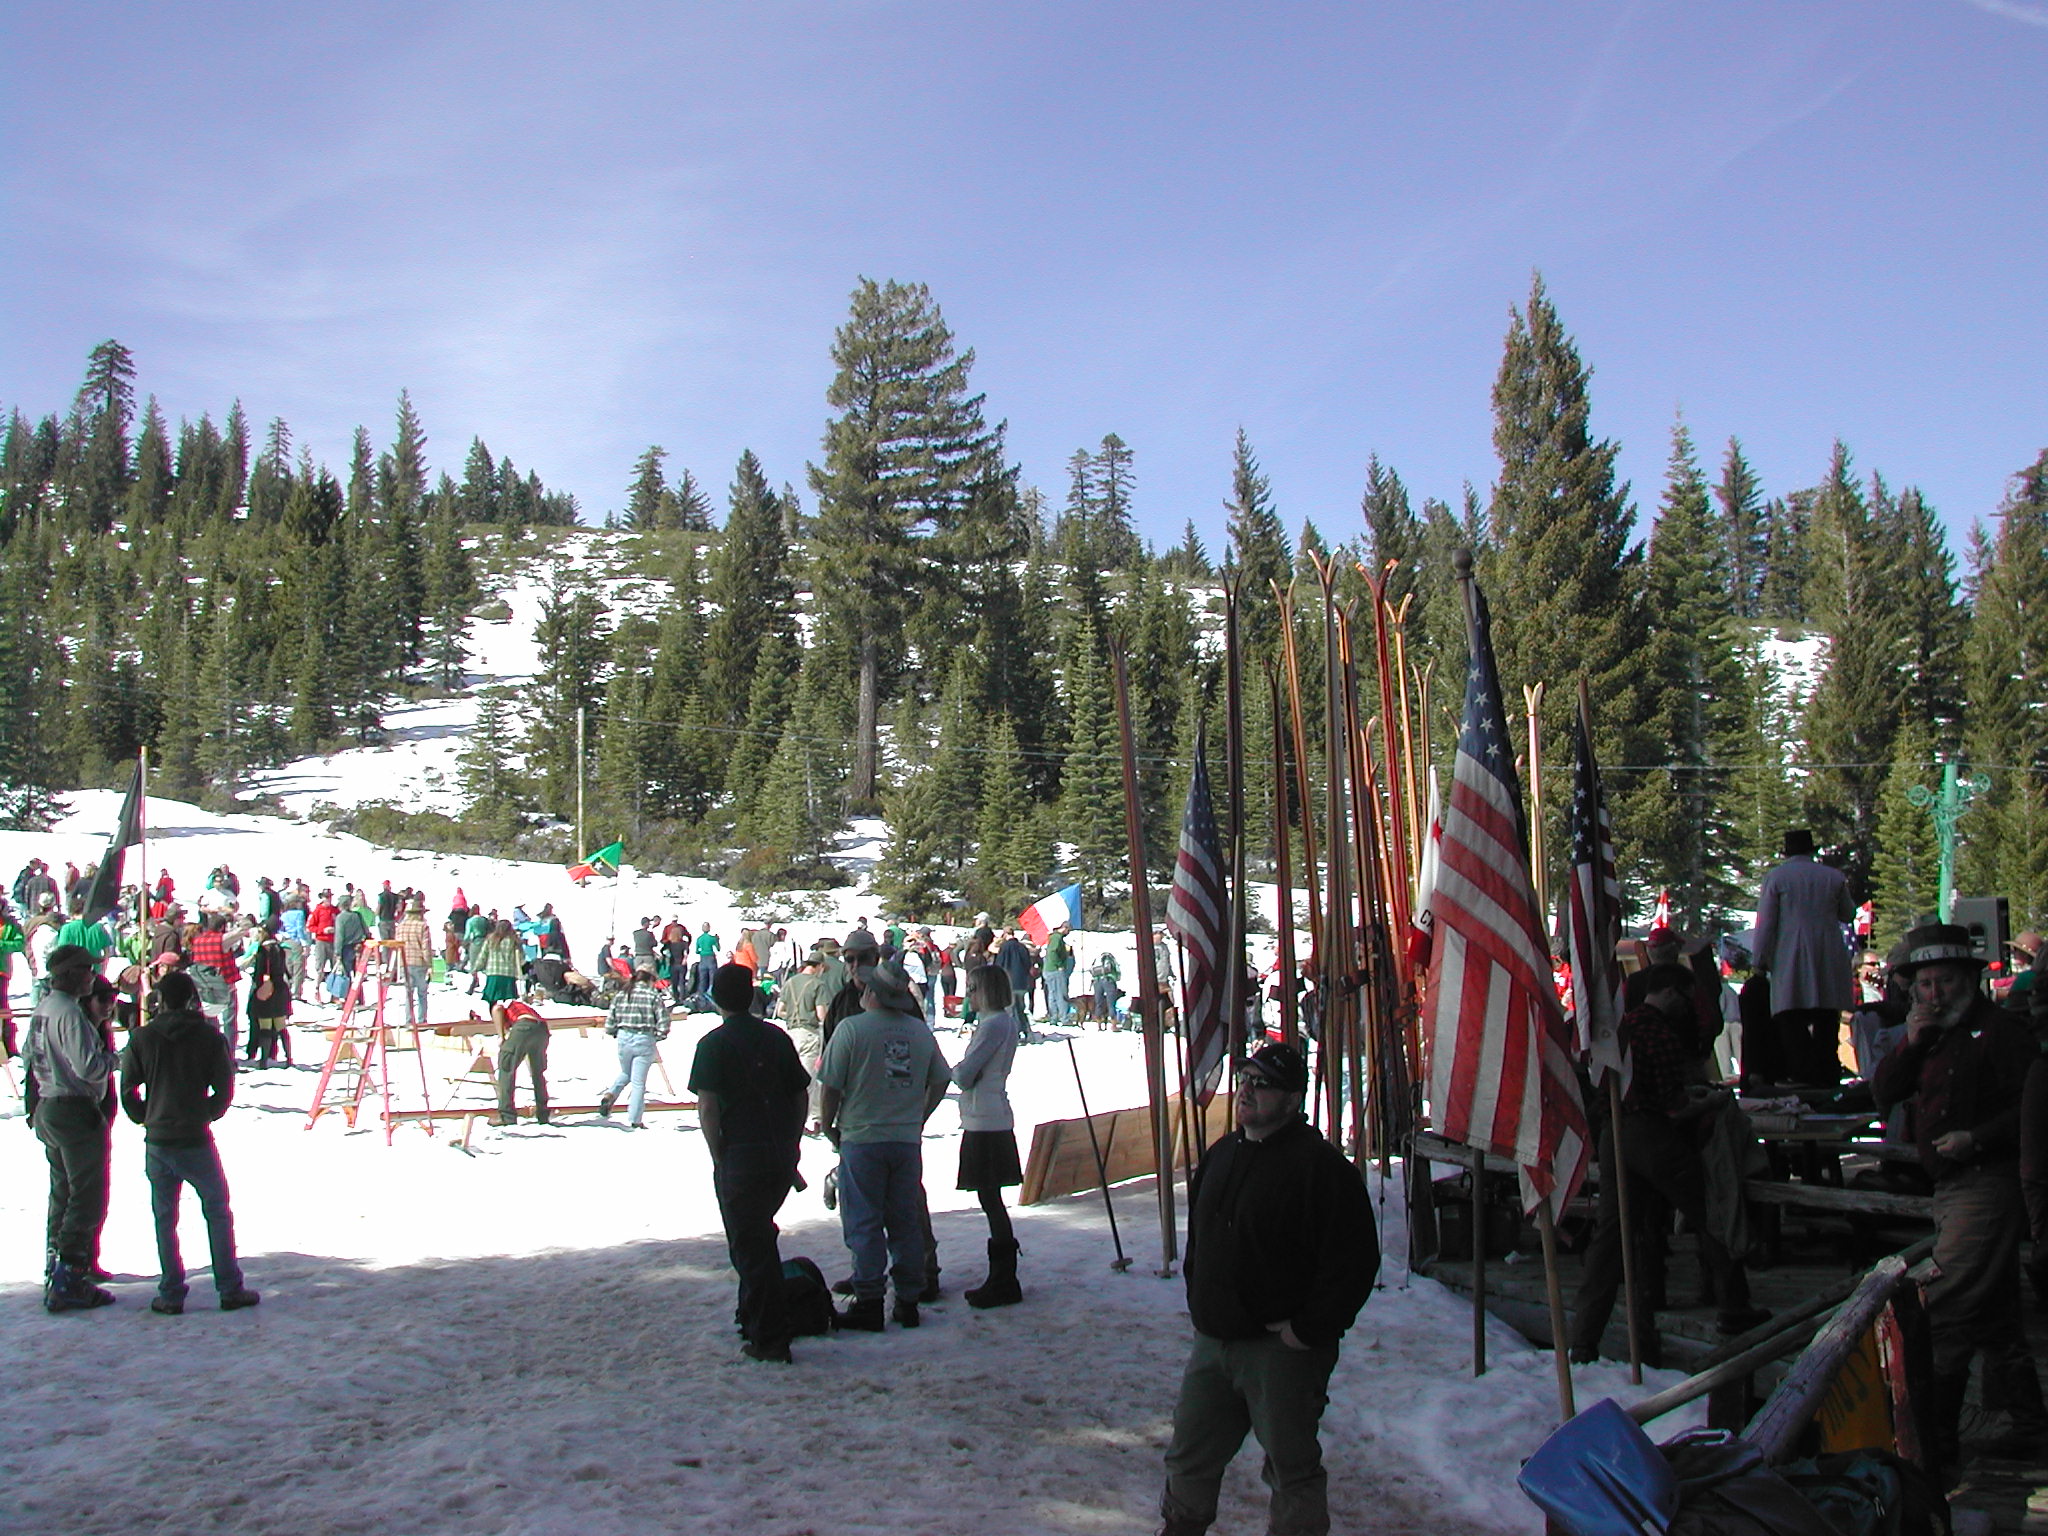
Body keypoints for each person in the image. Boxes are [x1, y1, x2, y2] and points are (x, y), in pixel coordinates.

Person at [1157, 1041, 1379, 1536]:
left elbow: (1354, 1262)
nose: (1247, 1093)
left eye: (1263, 1085)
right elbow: (1203, 1240)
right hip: (1214, 1343)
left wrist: (1310, 1329)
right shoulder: (1221, 1155)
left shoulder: (1321, 1169)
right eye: (1245, 1082)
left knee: (1290, 1466)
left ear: (1293, 1099)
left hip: (1280, 1351)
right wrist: (1202, 1301)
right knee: (1190, 1452)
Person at [1874, 923, 2047, 1470]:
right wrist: (1911, 1041)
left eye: (1945, 981)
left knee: (1944, 1306)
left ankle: (1934, 1435)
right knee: (1992, 1313)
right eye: (1924, 984)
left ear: (1968, 980)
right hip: (1947, 1186)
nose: (1934, 994)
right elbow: (1884, 1093)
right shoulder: (1930, 1035)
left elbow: (2029, 1106)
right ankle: (2029, 1424)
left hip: (1989, 1182)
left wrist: (1978, 1137)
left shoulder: (2001, 1032)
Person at [1569, 963, 1766, 1364]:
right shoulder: (1658, 1031)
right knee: (1711, 1211)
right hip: (1650, 1136)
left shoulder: (1621, 1028)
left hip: (1614, 1132)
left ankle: (1585, 1337)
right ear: (1672, 993)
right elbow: (1671, 1104)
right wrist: (1707, 1102)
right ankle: (1733, 1305)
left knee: (1612, 1237)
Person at [817, 958, 951, 1330]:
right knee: (904, 1220)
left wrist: (829, 1125)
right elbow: (941, 1079)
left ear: (872, 992)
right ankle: (907, 1299)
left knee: (864, 1222)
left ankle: (870, 1298)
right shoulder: (918, 1033)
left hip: (861, 1137)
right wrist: (920, 1116)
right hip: (905, 1140)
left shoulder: (851, 1030)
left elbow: (831, 1085)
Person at [117, 970, 259, 1315]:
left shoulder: (143, 1037)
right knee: (217, 1211)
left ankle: (171, 1291)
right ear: (192, 998)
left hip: (159, 1139)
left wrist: (146, 1116)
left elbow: (127, 1089)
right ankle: (228, 1286)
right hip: (195, 1138)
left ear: (160, 1001)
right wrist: (205, 1113)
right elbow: (224, 1088)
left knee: (165, 1218)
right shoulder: (208, 1037)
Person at [689, 963, 811, 1363]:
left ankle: (770, 1337)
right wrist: (792, 1140)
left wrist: (717, 1152)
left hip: (740, 1152)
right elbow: (799, 1094)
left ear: (716, 999)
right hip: (778, 1152)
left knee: (750, 1246)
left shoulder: (712, 1044)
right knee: (759, 1237)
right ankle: (755, 1319)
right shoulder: (776, 1038)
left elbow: (708, 1107)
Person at [23, 945, 118, 1312]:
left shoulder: (45, 1008)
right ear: (72, 974)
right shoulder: (69, 1013)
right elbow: (89, 1067)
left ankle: (57, 1264)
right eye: (87, 971)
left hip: (49, 1105)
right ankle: (71, 1275)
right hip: (74, 1107)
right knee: (85, 1195)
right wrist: (115, 1059)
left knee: (62, 1191)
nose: (92, 977)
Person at [1750, 828, 1854, 1085]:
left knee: (1790, 1015)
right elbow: (1848, 914)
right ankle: (1827, 1072)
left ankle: (1802, 1072)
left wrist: (1759, 960)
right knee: (1827, 1016)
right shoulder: (1833, 877)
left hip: (1790, 953)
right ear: (1812, 850)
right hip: (1828, 951)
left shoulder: (1776, 878)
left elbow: (1766, 923)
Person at [955, 965, 1025, 1308]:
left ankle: (1003, 1277)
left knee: (990, 1196)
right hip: (988, 1113)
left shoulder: (994, 1024)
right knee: (989, 1196)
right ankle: (1002, 1274)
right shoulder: (1001, 1023)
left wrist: (951, 1069)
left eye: (974, 989)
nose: (970, 995)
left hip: (986, 1118)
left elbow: (967, 1073)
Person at [599, 963, 670, 1129]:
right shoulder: (652, 995)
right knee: (638, 1082)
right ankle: (635, 1119)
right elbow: (663, 1020)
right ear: (650, 978)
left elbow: (611, 1019)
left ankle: (611, 1094)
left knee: (626, 1072)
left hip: (624, 1037)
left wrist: (614, 1031)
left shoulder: (623, 993)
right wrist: (659, 1035)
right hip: (644, 1038)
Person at [492, 997, 552, 1126]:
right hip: (541, 1029)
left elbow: (497, 1010)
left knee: (506, 1067)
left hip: (524, 1026)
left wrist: (501, 1036)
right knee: (537, 1073)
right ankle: (543, 1113)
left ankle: (506, 1116)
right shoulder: (522, 1007)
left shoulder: (504, 1003)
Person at [243, 919, 294, 1067]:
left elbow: (260, 972)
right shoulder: (280, 949)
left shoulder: (263, 950)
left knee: (265, 1025)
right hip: (280, 988)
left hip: (266, 989)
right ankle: (288, 1058)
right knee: (280, 1025)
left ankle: (264, 1060)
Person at [395, 899, 434, 1025]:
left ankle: (409, 1020)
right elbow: (425, 947)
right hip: (419, 963)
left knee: (408, 994)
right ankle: (422, 1020)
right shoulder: (423, 926)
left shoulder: (400, 926)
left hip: (404, 962)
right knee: (422, 993)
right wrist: (429, 964)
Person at [475, 919, 523, 1009]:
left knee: (492, 998)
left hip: (493, 972)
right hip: (509, 973)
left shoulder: (491, 939)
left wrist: (477, 967)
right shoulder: (514, 940)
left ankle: (495, 1016)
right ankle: (507, 1017)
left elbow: (483, 955)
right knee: (508, 999)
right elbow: (520, 958)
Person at [1042, 921, 1075, 1026]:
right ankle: (1064, 1018)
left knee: (1052, 994)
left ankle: (1054, 1017)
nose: (1068, 933)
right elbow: (1053, 952)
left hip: (1048, 970)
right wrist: (1059, 965)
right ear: (1065, 928)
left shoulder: (1053, 937)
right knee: (1061, 993)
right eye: (1068, 930)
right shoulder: (1057, 938)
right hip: (1055, 970)